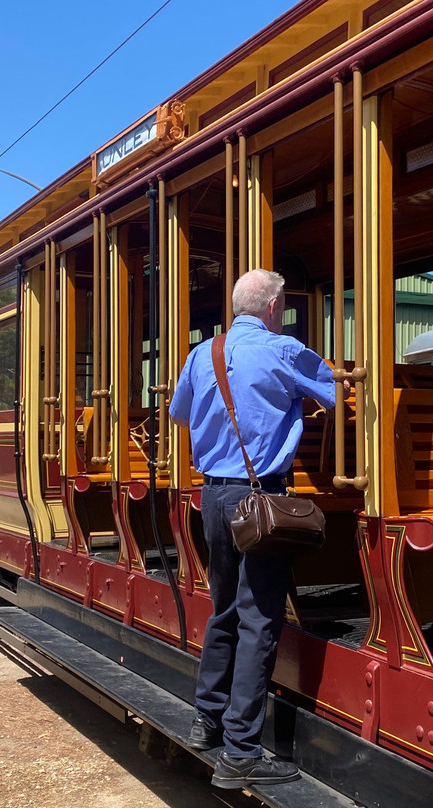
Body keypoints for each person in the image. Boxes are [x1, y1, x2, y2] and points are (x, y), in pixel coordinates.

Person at [169, 269, 338, 790]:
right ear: (271, 307)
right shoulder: (283, 351)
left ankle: (206, 723)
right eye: (282, 304)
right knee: (259, 619)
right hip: (260, 497)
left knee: (223, 609)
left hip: (214, 496)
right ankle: (241, 752)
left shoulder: (204, 354)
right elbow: (333, 393)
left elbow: (179, 413)